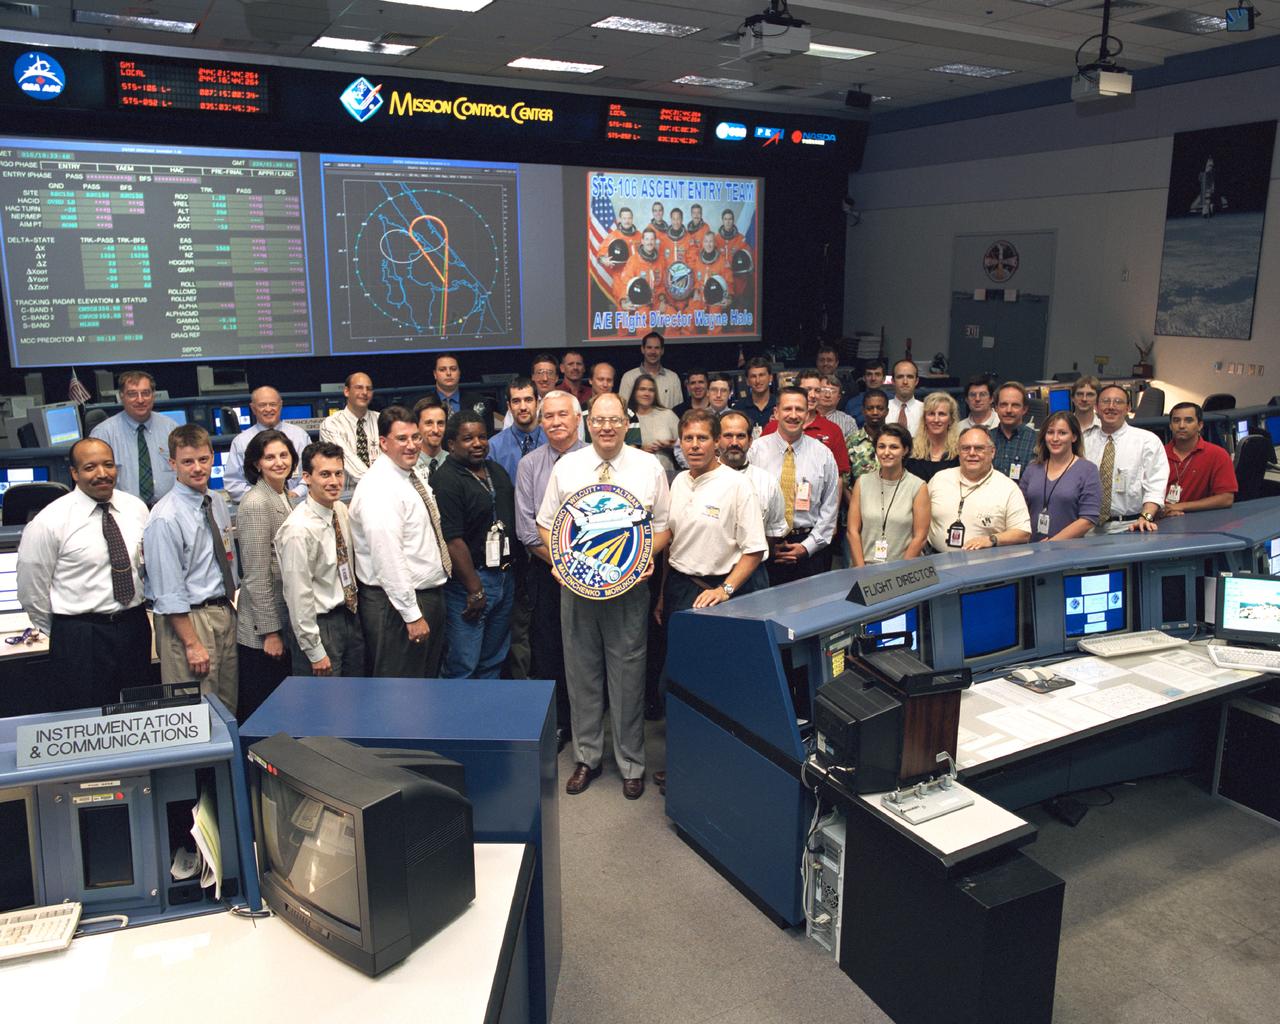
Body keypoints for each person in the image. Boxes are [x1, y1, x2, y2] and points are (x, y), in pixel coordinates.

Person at [537, 392, 671, 799]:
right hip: (577, 590)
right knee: (581, 675)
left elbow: (663, 527)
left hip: (629, 591)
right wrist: (559, 561)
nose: (606, 427)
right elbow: (546, 523)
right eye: (599, 420)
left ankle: (631, 762)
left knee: (629, 676)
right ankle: (587, 758)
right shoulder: (567, 466)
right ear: (587, 422)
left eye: (614, 420)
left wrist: (645, 556)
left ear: (627, 423)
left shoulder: (649, 467)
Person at [16, 437, 150, 711]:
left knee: (138, 712)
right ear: (74, 473)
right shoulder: (49, 521)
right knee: (87, 718)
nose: (102, 473)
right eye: (90, 467)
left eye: (108, 465)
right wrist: (66, 631)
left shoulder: (136, 508)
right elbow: (31, 591)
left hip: (133, 626)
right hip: (81, 635)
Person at [144, 424, 239, 713]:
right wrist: (191, 643)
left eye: (203, 459)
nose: (197, 468)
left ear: (212, 458)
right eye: (187, 461)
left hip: (222, 612)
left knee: (227, 708)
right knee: (194, 714)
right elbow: (168, 591)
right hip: (188, 621)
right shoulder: (165, 517)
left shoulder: (216, 502)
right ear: (173, 464)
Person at [350, 406, 451, 677]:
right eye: (402, 439)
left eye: (415, 437)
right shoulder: (379, 487)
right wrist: (411, 614)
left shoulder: (408, 474)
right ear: (384, 443)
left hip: (421, 596)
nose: (412, 445)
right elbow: (388, 558)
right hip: (396, 604)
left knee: (424, 685)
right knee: (400, 690)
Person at [515, 390, 585, 751]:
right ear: (541, 423)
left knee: (589, 648)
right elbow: (527, 531)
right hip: (548, 570)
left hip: (594, 571)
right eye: (549, 416)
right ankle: (559, 723)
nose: (555, 422)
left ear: (578, 419)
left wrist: (582, 568)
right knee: (549, 648)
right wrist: (563, 566)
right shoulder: (529, 465)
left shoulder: (595, 459)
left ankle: (589, 721)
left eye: (562, 414)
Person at [434, 410, 517, 679]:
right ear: (451, 444)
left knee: (493, 660)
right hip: (469, 584)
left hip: (503, 577)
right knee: (463, 663)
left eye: (482, 437)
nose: (478, 443)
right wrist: (475, 589)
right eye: (468, 438)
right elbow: (452, 540)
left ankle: (485, 708)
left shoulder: (495, 471)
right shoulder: (446, 479)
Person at [275, 441, 366, 678]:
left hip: (349, 616)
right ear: (307, 477)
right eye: (325, 474)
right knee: (325, 698)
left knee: (357, 693)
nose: (334, 481)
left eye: (338, 473)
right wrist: (314, 650)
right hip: (319, 626)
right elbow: (298, 596)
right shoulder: (298, 530)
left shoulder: (340, 510)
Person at [234, 429, 298, 722]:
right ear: (256, 464)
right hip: (263, 634)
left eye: (284, 455)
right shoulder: (256, 503)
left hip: (284, 619)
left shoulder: (284, 495)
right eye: (269, 457)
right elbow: (256, 574)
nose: (278, 462)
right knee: (267, 715)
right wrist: (270, 632)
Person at [749, 387, 840, 584]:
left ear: (807, 414)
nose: (793, 415)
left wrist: (807, 547)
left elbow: (830, 509)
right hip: (763, 548)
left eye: (799, 409)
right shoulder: (755, 451)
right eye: (787, 409)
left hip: (808, 549)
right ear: (776, 413)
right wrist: (765, 544)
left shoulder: (823, 455)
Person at [927, 427, 1031, 551]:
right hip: (935, 557)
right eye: (966, 448)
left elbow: (1023, 533)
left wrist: (991, 539)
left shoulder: (1008, 488)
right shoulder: (939, 479)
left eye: (979, 448)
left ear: (992, 452)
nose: (972, 453)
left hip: (985, 561)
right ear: (958, 451)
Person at [1084, 385, 1168, 533]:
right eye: (1105, 401)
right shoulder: (1084, 442)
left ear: (1128, 408)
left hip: (1132, 526)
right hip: (1088, 527)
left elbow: (1155, 486)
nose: (1111, 407)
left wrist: (1146, 517)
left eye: (1118, 402)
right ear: (1096, 407)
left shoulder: (1147, 441)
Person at [718, 411, 786, 588]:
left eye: (741, 436)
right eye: (728, 436)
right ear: (717, 440)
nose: (734, 442)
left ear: (750, 441)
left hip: (754, 577)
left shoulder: (767, 482)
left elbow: (773, 532)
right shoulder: (703, 479)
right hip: (710, 574)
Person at [89, 369, 179, 506]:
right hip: (123, 511)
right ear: (121, 396)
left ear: (153, 395)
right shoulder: (103, 434)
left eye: (145, 393)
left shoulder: (171, 429)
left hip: (169, 508)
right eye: (132, 394)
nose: (140, 400)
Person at [847, 424, 929, 566]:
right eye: (881, 446)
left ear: (905, 450)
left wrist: (899, 573)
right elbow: (852, 531)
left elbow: (920, 537)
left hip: (902, 570)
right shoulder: (862, 483)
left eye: (894, 447)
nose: (886, 452)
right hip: (864, 568)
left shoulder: (918, 486)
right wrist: (861, 570)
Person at [1018, 412, 1101, 542]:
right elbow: (1018, 509)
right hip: (1032, 547)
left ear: (1074, 437)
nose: (1055, 438)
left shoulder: (1088, 470)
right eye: (1050, 432)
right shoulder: (1032, 469)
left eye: (1062, 433)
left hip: (1068, 549)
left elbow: (1088, 519)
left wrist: (1052, 543)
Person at [223, 386, 312, 501]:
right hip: (259, 506)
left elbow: (313, 472)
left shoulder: (300, 436)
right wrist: (265, 498)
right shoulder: (241, 442)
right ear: (253, 408)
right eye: (262, 405)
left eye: (273, 404)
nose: (268, 409)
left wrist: (297, 492)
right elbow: (233, 484)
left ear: (280, 405)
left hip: (299, 502)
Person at [760, 370, 852, 476]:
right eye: (807, 390)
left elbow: (839, 476)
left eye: (817, 390)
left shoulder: (833, 430)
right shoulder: (773, 427)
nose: (813, 395)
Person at [1162, 402, 1237, 516]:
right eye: (1176, 421)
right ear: (1170, 425)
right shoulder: (1158, 454)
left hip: (1199, 519)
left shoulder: (1218, 454)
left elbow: (1226, 499)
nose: (1181, 426)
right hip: (1160, 518)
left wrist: (1180, 506)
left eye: (1188, 420)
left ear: (1200, 425)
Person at [319, 371, 379, 485]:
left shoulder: (382, 420)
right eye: (359, 388)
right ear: (346, 391)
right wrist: (380, 485)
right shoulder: (331, 424)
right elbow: (349, 462)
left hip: (384, 489)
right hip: (345, 493)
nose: (364, 392)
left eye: (369, 389)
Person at [489, 378, 546, 480]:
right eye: (516, 401)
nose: (523, 407)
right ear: (509, 406)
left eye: (528, 400)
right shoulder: (494, 447)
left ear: (537, 403)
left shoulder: (552, 440)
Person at [614, 230, 668, 336]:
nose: (649, 242)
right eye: (647, 239)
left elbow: (662, 285)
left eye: (652, 239)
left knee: (672, 315)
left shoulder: (661, 260)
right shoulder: (634, 260)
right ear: (642, 241)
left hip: (656, 300)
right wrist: (623, 300)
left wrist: (662, 300)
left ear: (655, 241)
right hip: (640, 302)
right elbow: (626, 283)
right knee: (640, 318)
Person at [628, 372, 679, 477]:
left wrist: (671, 445)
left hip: (667, 475)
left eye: (651, 390)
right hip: (636, 476)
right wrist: (640, 450)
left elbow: (686, 443)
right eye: (642, 389)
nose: (647, 393)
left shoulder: (668, 415)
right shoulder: (627, 417)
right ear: (634, 392)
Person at [905, 392, 961, 483]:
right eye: (931, 414)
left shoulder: (960, 451)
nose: (936, 419)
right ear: (924, 419)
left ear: (951, 419)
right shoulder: (910, 449)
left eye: (942, 414)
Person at [619, 331, 684, 408]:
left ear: (662, 351)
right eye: (649, 347)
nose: (653, 352)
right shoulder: (628, 377)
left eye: (657, 348)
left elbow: (678, 410)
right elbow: (623, 408)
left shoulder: (673, 378)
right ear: (642, 349)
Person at [989, 382, 1037, 481]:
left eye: (1015, 405)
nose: (1009, 410)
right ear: (996, 408)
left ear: (1024, 409)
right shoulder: (986, 438)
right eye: (1003, 405)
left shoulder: (1036, 440)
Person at [734, 356, 776, 431]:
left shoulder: (780, 406)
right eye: (753, 376)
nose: (758, 381)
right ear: (747, 381)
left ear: (770, 378)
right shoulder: (738, 409)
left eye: (761, 375)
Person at [413, 395, 449, 480]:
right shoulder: (408, 464)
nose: (436, 430)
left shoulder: (455, 462)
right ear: (417, 426)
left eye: (440, 423)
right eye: (429, 423)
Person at [886, 358, 924, 436]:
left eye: (910, 377)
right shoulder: (882, 409)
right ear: (893, 381)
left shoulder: (925, 410)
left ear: (916, 381)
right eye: (900, 377)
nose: (905, 382)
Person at [844, 359, 886, 425]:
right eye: (869, 374)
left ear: (883, 379)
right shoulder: (852, 403)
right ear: (864, 378)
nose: (873, 378)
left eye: (877, 374)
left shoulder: (892, 400)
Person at [1071, 375, 1102, 442]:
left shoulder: (1105, 428)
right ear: (1072, 398)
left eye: (1090, 395)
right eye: (1080, 394)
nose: (1084, 399)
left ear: (1098, 399)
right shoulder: (1063, 426)